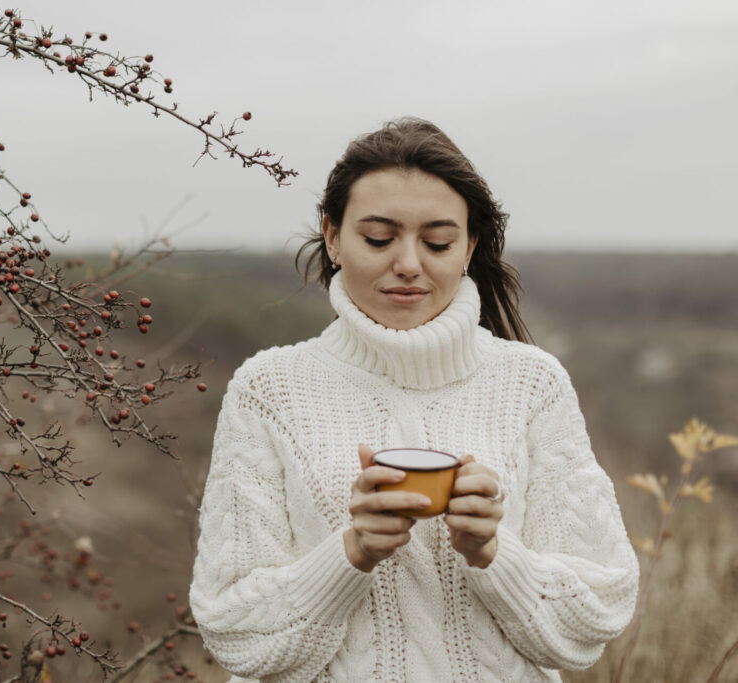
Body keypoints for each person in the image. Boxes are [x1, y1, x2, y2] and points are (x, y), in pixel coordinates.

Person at [188, 117, 639, 682]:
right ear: (332, 236)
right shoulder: (269, 389)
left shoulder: (531, 383)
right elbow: (234, 633)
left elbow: (596, 616)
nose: (408, 263)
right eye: (378, 238)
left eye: (438, 242)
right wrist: (350, 553)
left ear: (470, 245)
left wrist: (493, 553)